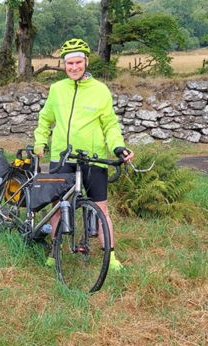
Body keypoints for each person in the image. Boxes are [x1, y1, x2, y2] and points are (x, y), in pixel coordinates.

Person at [33, 38, 134, 271]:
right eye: (69, 63)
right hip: (62, 158)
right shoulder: (57, 90)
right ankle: (54, 251)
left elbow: (110, 124)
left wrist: (118, 146)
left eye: (78, 62)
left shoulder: (100, 90)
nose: (74, 67)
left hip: (93, 158)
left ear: (86, 62)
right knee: (58, 206)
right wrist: (40, 141)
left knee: (102, 209)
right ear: (64, 64)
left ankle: (111, 256)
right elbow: (45, 119)